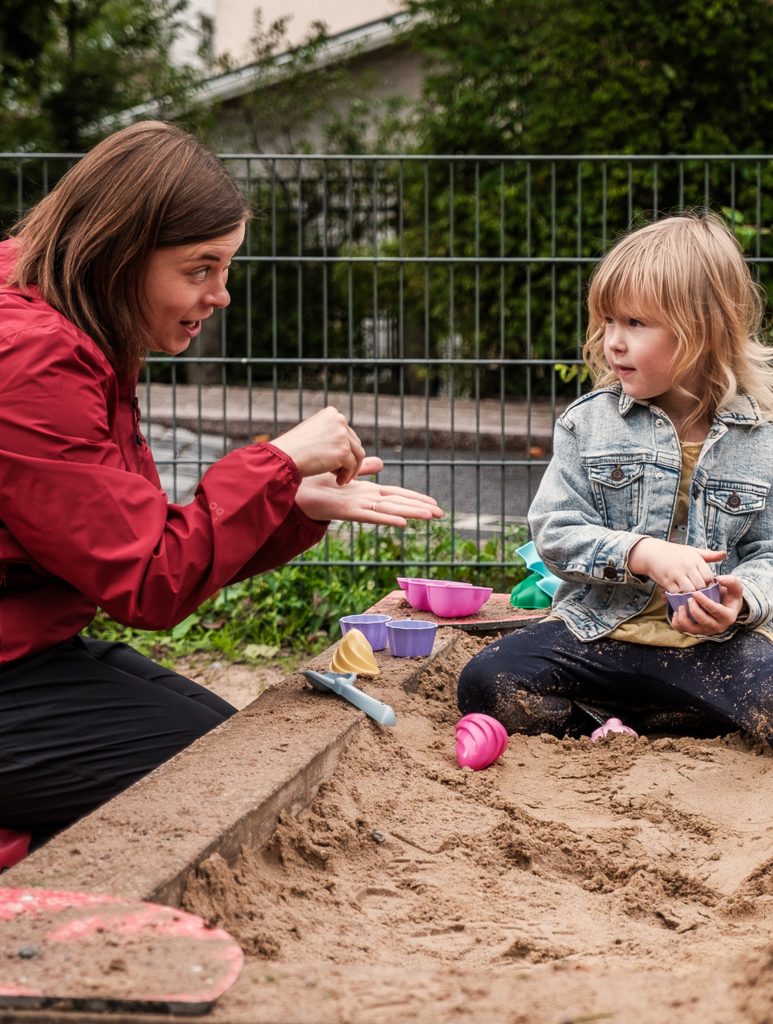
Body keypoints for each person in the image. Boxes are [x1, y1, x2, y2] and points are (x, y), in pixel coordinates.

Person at [0, 120, 442, 840]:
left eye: (225, 268)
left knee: (230, 753)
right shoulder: (31, 357)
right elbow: (147, 577)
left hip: (27, 644)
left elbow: (123, 541)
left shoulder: (71, 323)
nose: (221, 294)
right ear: (119, 254)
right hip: (14, 660)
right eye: (200, 268)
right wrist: (274, 464)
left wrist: (286, 501)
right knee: (212, 789)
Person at [458, 210, 773, 746]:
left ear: (702, 329)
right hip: (598, 635)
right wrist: (640, 552)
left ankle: (644, 718)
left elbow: (769, 551)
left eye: (635, 323)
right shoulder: (590, 422)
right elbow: (555, 532)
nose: (613, 342)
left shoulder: (762, 436)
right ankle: (617, 725)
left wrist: (740, 602)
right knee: (487, 682)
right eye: (607, 322)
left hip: (710, 651)